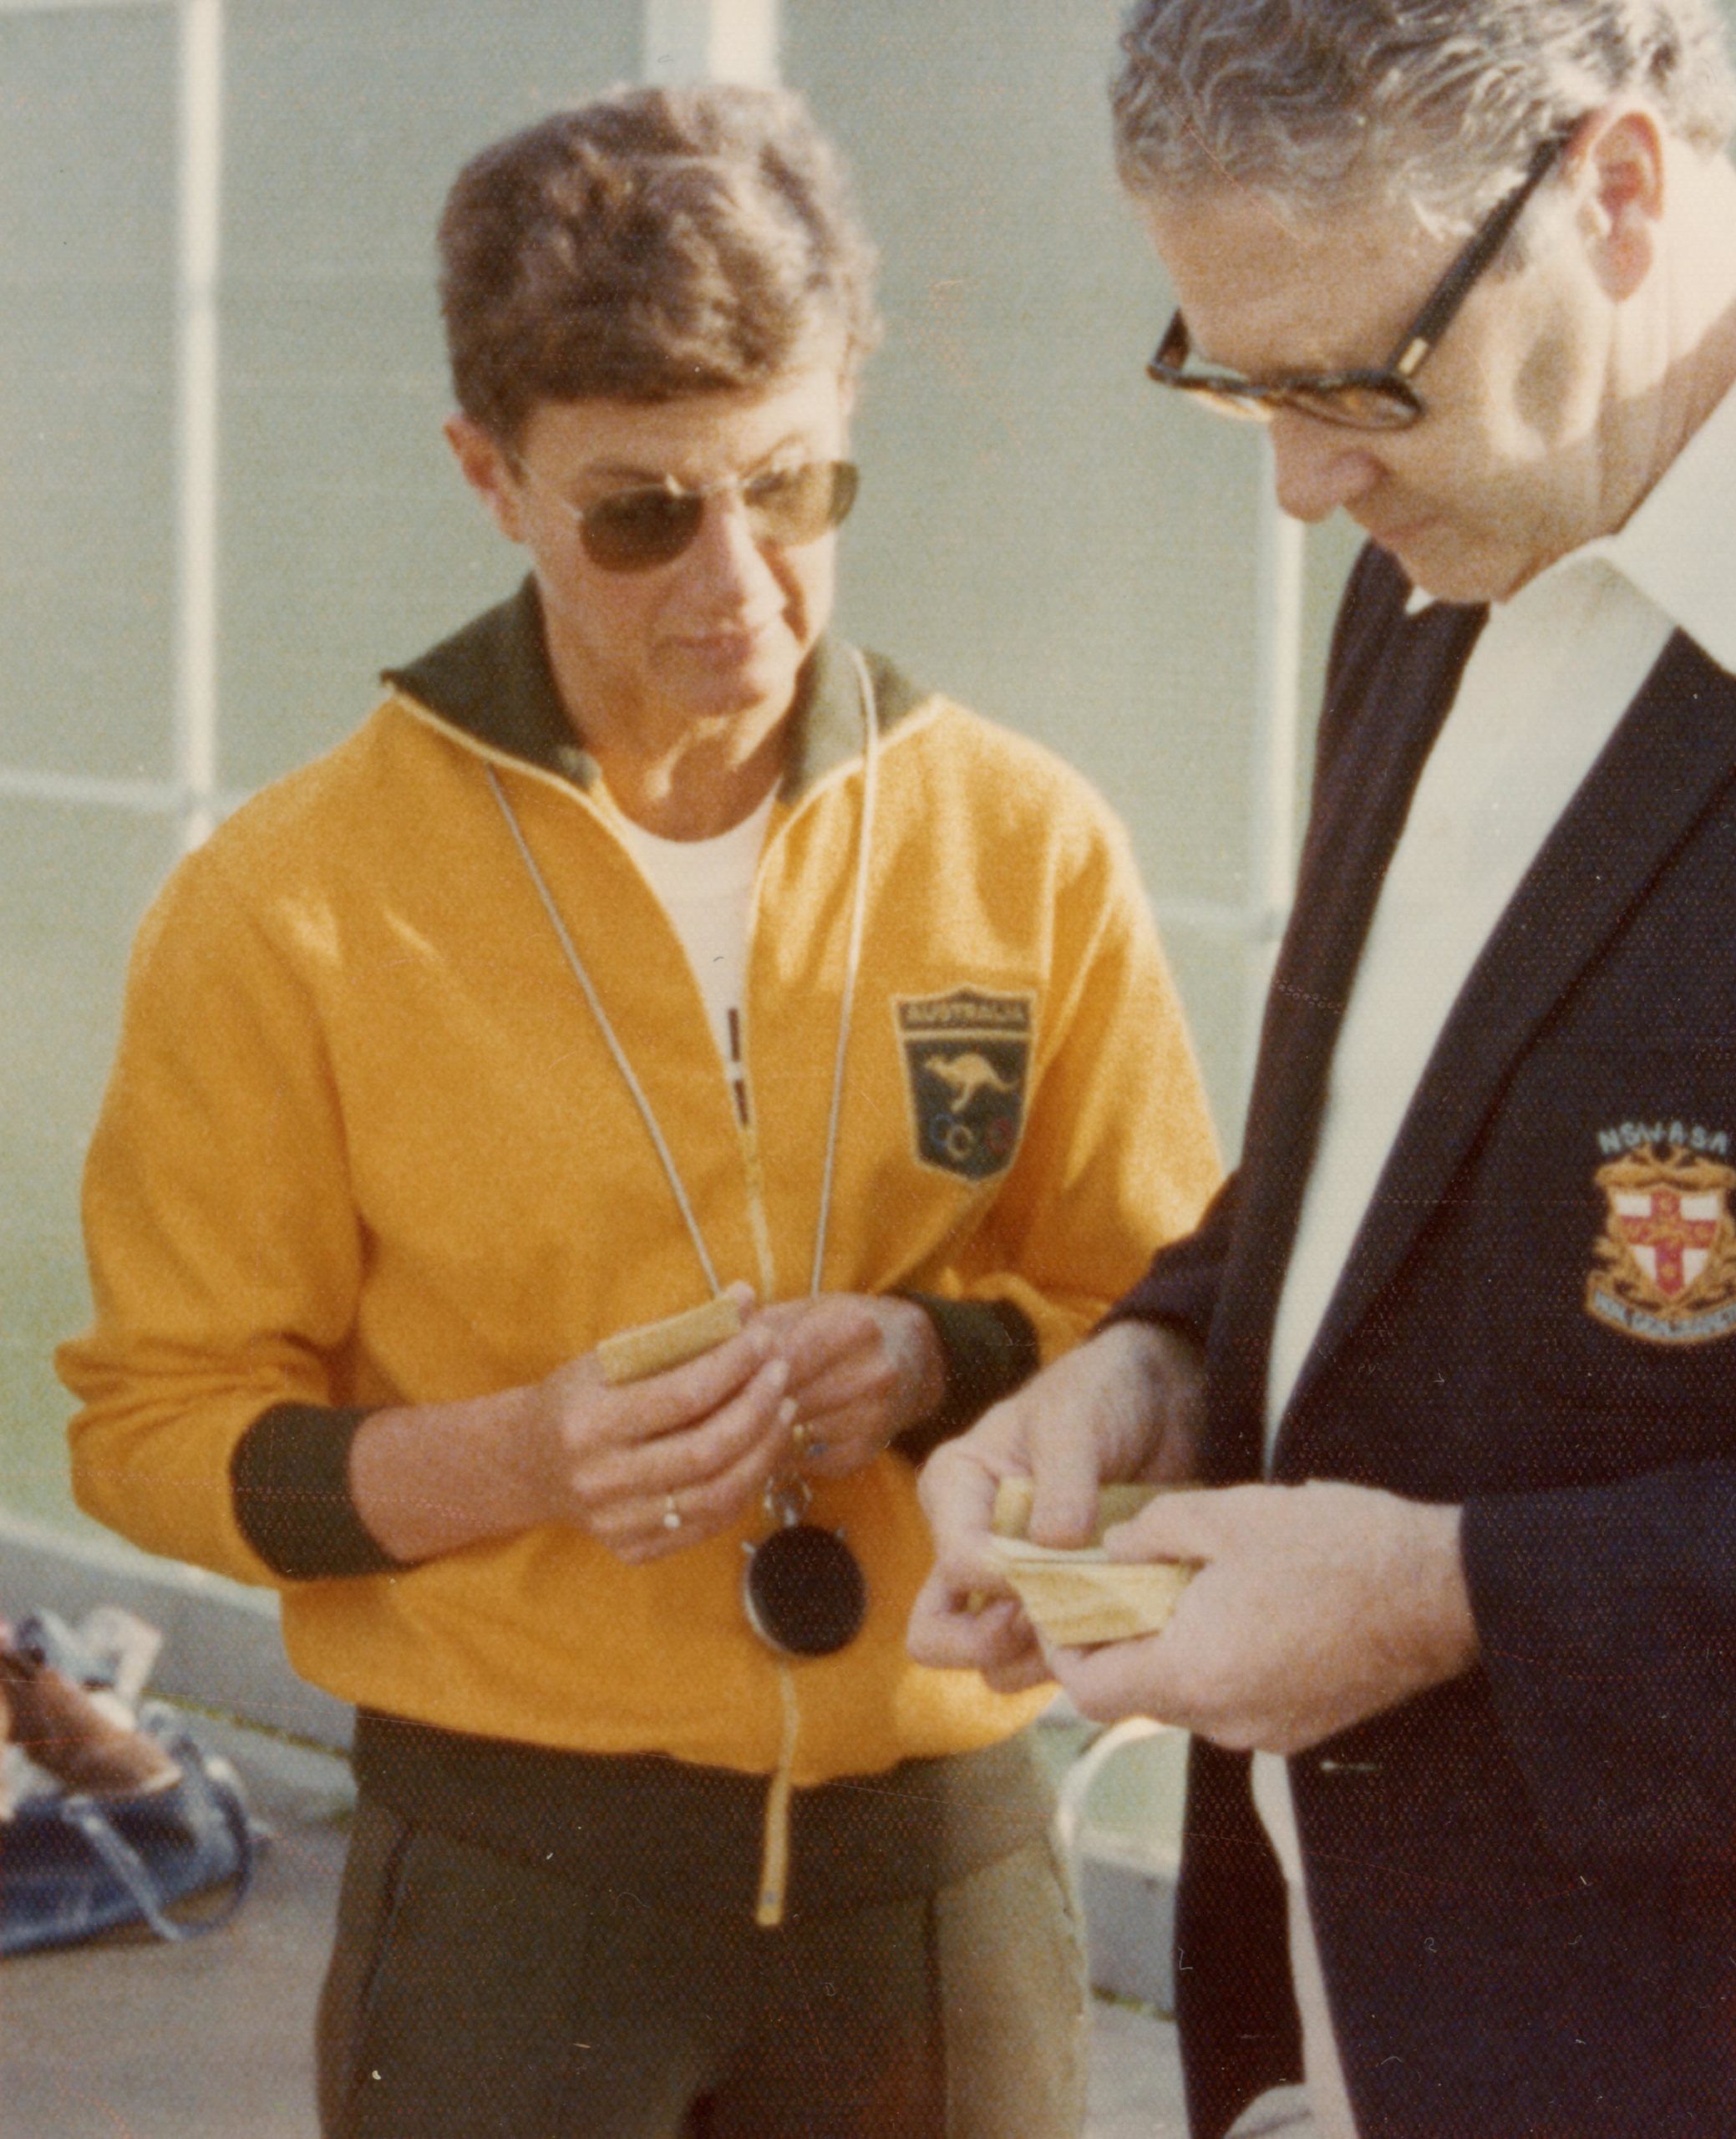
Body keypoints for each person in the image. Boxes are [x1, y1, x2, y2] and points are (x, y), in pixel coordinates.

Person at [910, 4, 1736, 2135]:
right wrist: (1158, 1363)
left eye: (1349, 381)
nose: (1295, 484)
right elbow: (1395, 1154)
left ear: (1617, 189)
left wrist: (1457, 1600)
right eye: (1229, 379)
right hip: (1343, 2023)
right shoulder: (1446, 550)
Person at [58, 82, 1221, 2139]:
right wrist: (515, 1456)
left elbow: (1182, 1322)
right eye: (639, 510)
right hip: (511, 1905)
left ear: (849, 395)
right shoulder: (290, 902)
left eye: (791, 482)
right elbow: (154, 1434)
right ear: (487, 477)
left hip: (941, 1879)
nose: (740, 586)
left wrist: (934, 1356)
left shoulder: (1024, 842)